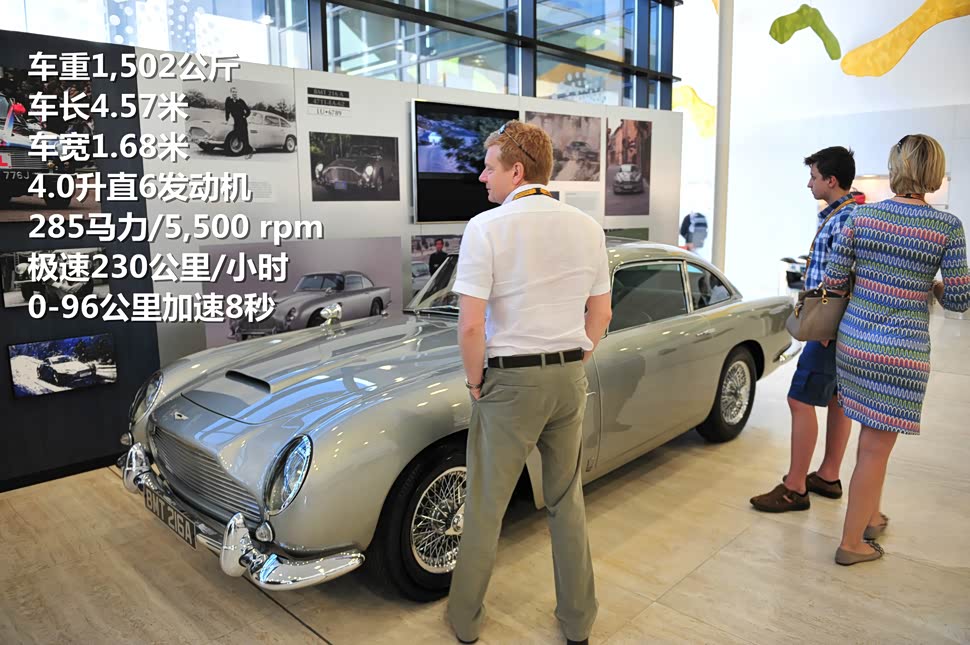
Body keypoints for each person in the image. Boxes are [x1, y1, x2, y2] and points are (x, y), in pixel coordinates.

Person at [446, 120, 612, 645]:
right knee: (566, 501)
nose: (482, 177)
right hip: (568, 378)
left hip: (509, 383)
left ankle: (465, 622)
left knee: (485, 507)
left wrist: (476, 383)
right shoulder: (587, 227)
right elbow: (601, 314)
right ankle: (578, 623)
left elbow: (470, 326)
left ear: (516, 171)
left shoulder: (486, 228)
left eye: (489, 167)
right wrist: (577, 357)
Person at [823, 134, 970, 565]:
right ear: (934, 172)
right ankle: (852, 543)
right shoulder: (947, 227)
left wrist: (871, 280)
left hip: (854, 343)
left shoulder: (861, 216)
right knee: (876, 447)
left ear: (895, 167)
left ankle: (870, 517)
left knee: (869, 440)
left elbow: (833, 281)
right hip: (901, 354)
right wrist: (930, 286)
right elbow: (960, 299)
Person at [751, 146, 861, 513]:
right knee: (837, 399)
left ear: (831, 180)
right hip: (839, 327)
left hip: (827, 328)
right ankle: (828, 475)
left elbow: (844, 277)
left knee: (799, 399)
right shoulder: (845, 215)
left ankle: (794, 486)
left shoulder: (844, 219)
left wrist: (828, 327)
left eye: (814, 177)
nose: (809, 184)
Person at [224, 86, 254, 157]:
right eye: (233, 92)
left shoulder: (241, 101)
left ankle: (245, 150)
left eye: (235, 92)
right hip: (235, 120)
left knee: (244, 136)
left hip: (242, 121)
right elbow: (227, 111)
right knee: (236, 134)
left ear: (237, 93)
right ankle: (236, 149)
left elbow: (248, 111)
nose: (234, 93)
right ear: (231, 92)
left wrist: (245, 116)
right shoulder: (228, 100)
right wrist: (227, 119)